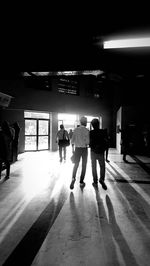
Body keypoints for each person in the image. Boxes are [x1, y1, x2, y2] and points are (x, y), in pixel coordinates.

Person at [70, 116, 89, 190]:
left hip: (77, 149)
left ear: (80, 122)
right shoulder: (87, 131)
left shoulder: (76, 130)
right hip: (84, 150)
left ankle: (73, 178)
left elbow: (72, 141)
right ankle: (81, 181)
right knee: (84, 165)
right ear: (85, 122)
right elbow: (88, 142)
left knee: (76, 164)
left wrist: (74, 146)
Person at [89, 118, 107, 190]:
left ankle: (95, 181)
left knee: (94, 167)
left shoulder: (91, 132)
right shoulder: (103, 132)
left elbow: (89, 143)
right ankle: (101, 179)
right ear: (99, 124)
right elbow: (106, 141)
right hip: (101, 152)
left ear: (92, 125)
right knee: (102, 166)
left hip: (93, 152)